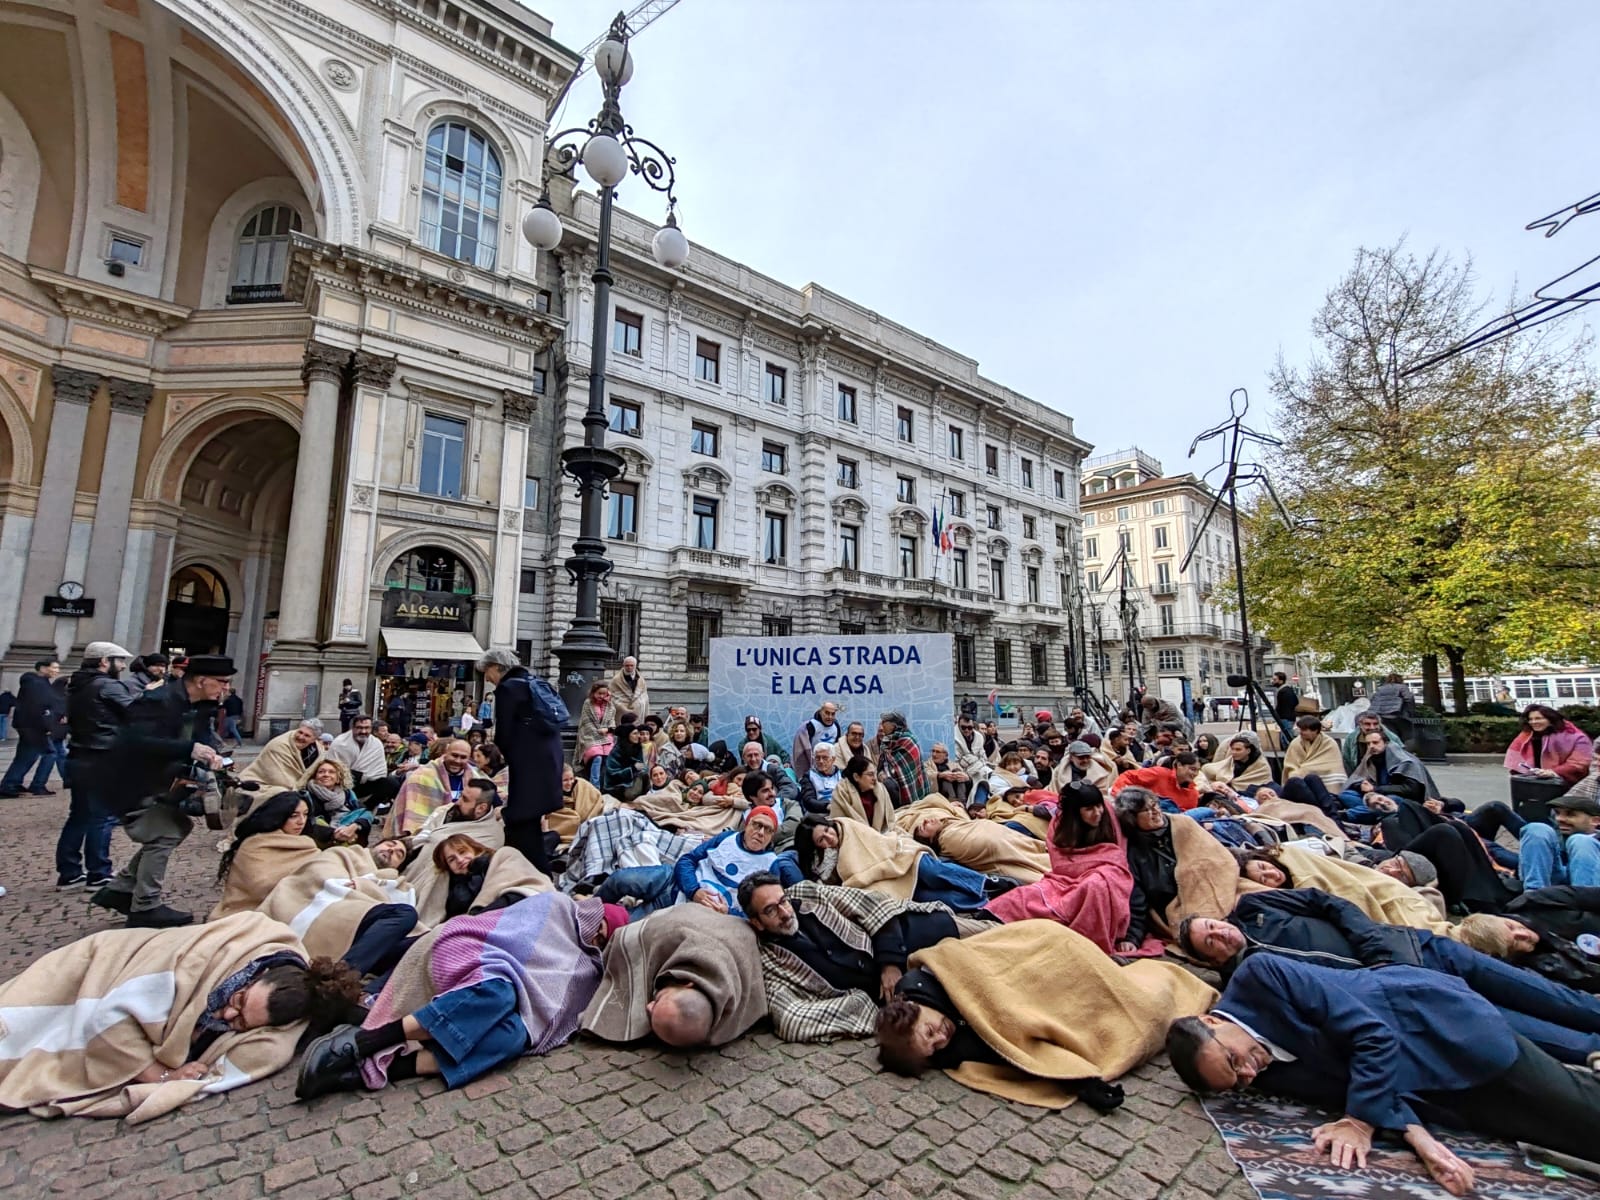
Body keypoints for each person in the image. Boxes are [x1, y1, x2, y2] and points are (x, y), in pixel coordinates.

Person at [1165, 953, 1600, 1192]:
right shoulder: (1266, 1074)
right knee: (1554, 1130)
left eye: (1233, 1061)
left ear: (1212, 1021)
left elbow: (1370, 1036)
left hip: (1440, 1027)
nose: (1248, 1072)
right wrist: (1422, 1141)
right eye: (1238, 1082)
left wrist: (1359, 1121)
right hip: (1425, 1084)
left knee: (1571, 1105)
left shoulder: (1261, 974)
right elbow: (1347, 1086)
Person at [0, 911, 363, 1119]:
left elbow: (266, 1052)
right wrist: (160, 1074)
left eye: (239, 1022)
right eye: (238, 999)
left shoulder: (284, 1015)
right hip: (102, 965)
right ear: (255, 975)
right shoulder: (225, 953)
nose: (226, 1012)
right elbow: (109, 1018)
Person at [1178, 888, 1600, 1065]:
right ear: (1211, 960)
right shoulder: (1250, 980)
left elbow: (1327, 902)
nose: (1219, 934)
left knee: (1551, 998)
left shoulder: (1253, 908)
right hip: (1413, 995)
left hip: (1418, 951)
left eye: (1211, 926)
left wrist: (1374, 947)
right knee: (1547, 1038)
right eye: (1208, 942)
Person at [296, 891, 618, 1099]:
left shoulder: (587, 968)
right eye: (600, 927)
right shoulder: (557, 906)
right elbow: (512, 932)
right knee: (498, 993)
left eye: (603, 941)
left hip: (516, 998)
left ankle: (365, 1074)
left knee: (515, 1038)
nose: (596, 937)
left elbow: (557, 1005)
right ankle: (366, 1042)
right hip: (478, 952)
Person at [874, 920, 1215, 1107]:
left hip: (1040, 950)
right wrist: (1080, 1081)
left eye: (929, 1032)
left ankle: (1115, 970)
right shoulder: (955, 1050)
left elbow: (969, 961)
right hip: (1049, 999)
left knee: (1111, 982)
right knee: (1142, 1014)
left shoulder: (922, 977)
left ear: (913, 1011)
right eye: (932, 1049)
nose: (940, 1040)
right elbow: (1016, 1049)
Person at [739, 872, 987, 1042]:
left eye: (782, 901)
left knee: (998, 936)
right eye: (771, 910)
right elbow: (791, 1018)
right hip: (906, 989)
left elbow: (872, 903)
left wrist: (889, 964)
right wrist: (865, 1005)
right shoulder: (770, 960)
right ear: (756, 923)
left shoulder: (806, 894)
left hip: (903, 935)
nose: (784, 912)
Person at [89, 655, 235, 928]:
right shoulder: (157, 700)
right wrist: (188, 749)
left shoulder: (203, 705)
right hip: (129, 781)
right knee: (166, 832)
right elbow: (136, 741)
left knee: (176, 827)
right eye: (222, 682)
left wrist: (211, 753)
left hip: (160, 781)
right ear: (201, 681)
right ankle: (145, 906)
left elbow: (201, 736)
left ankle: (121, 889)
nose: (225, 688)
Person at [579, 901, 767, 1048]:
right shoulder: (676, 936)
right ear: (687, 982)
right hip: (690, 918)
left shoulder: (699, 1026)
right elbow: (633, 936)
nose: (649, 1006)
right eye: (659, 1001)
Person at [984, 781, 1135, 954]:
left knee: (1094, 887)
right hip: (1064, 880)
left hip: (1102, 875)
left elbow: (1121, 862)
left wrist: (1131, 936)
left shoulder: (1110, 821)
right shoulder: (1060, 825)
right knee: (1024, 896)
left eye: (1099, 806)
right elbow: (1061, 864)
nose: (1097, 813)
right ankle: (987, 924)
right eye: (1089, 809)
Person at [597, 806, 780, 920]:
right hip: (674, 881)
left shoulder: (771, 865)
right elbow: (687, 860)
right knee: (621, 879)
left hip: (691, 912)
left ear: (772, 836)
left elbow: (758, 913)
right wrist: (694, 890)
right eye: (757, 825)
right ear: (747, 824)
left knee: (623, 926)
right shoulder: (726, 838)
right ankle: (591, 908)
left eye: (768, 830)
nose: (761, 832)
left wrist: (728, 914)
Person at [784, 814, 994, 909]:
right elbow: (846, 884)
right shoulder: (823, 866)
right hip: (885, 883)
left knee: (932, 872)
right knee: (933, 898)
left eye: (827, 831)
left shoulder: (845, 826)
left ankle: (988, 883)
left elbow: (875, 844)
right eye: (822, 839)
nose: (829, 837)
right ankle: (985, 902)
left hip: (897, 855)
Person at [477, 649, 564, 874]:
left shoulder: (508, 688)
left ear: (496, 666)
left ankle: (533, 869)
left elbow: (504, 731)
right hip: (549, 756)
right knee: (529, 816)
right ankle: (529, 863)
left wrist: (504, 752)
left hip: (528, 760)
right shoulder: (532, 681)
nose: (487, 678)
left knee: (522, 816)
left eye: (487, 672)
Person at [57, 643, 135, 890]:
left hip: (79, 755)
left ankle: (69, 872)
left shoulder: (77, 685)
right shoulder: (107, 685)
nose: (123, 666)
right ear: (104, 661)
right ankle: (98, 872)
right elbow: (137, 711)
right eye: (119, 660)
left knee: (79, 816)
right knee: (102, 817)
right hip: (103, 756)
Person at [386, 738, 478, 837]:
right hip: (426, 833)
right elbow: (414, 819)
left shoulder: (476, 777)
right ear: (446, 753)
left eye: (463, 757)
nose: (457, 761)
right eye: (454, 755)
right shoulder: (420, 776)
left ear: (469, 758)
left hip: (464, 831)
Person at [1504, 704, 1592, 804]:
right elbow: (1516, 761)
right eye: (1530, 719)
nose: (1534, 722)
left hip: (1568, 787)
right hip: (1534, 788)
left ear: (1550, 719)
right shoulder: (1526, 736)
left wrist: (1554, 772)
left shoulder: (1576, 737)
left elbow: (1580, 762)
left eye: (1538, 718)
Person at [0, 657, 61, 797]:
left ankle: (11, 783)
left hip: (28, 724)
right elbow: (39, 706)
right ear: (43, 668)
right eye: (54, 667)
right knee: (49, 753)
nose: (56, 671)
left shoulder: (38, 683)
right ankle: (35, 785)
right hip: (34, 725)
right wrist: (47, 725)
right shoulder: (37, 684)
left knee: (25, 755)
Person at [1518, 789, 1600, 889]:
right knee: (1536, 829)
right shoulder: (1551, 837)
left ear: (1595, 821)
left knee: (1580, 841)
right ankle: (1534, 896)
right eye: (1557, 813)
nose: (1559, 819)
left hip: (1589, 890)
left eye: (1570, 814)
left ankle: (1584, 902)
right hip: (1550, 885)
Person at [1110, 752, 1203, 812]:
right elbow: (1128, 776)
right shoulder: (1159, 774)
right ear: (1179, 765)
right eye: (1192, 769)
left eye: (1197, 770)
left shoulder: (1193, 794)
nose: (1195, 774)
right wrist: (1120, 795)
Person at [829, 755, 895, 832]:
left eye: (875, 774)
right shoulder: (842, 792)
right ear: (856, 777)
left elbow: (890, 821)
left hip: (882, 834)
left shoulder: (880, 789)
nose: (875, 778)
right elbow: (840, 825)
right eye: (870, 775)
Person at [791, 701, 842, 780]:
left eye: (833, 714)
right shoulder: (810, 726)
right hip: (812, 765)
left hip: (829, 766)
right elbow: (802, 750)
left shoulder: (836, 727)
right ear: (821, 712)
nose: (830, 717)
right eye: (827, 713)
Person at [798, 741, 845, 814]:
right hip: (818, 814)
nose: (821, 761)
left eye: (825, 758)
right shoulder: (808, 776)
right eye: (817, 758)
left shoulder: (842, 774)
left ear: (833, 759)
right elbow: (808, 801)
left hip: (841, 810)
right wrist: (827, 806)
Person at [1368, 672, 1417, 741]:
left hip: (1383, 715)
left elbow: (1373, 700)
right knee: (1406, 734)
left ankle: (1394, 747)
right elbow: (1409, 698)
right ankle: (1403, 748)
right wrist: (1411, 711)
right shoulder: (1402, 687)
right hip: (1398, 714)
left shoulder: (1381, 688)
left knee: (1391, 734)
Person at [608, 656, 649, 724]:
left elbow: (644, 695)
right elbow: (612, 695)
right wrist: (620, 706)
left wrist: (641, 702)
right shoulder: (616, 679)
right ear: (623, 665)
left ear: (635, 666)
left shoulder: (640, 679)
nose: (629, 667)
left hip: (638, 709)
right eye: (627, 665)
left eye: (631, 665)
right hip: (622, 709)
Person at [219, 684, 245, 748]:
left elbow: (222, 706)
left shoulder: (228, 700)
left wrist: (221, 701)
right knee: (227, 728)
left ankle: (239, 742)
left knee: (231, 729)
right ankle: (221, 742)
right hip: (237, 715)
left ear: (229, 692)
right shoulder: (239, 699)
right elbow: (241, 709)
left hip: (230, 716)